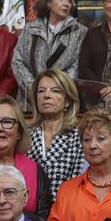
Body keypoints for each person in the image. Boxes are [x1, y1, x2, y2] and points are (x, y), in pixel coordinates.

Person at [13, 0, 87, 113]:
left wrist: (54, 91)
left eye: (70, 0)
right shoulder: (30, 29)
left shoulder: (79, 31)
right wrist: (36, 90)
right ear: (48, 2)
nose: (66, 4)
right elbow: (18, 61)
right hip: (29, 103)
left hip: (62, 103)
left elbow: (76, 66)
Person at [27, 70, 87, 205]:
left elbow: (78, 180)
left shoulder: (79, 135)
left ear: (67, 101)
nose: (46, 96)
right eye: (41, 91)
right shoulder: (25, 134)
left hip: (65, 209)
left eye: (55, 91)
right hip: (29, 211)